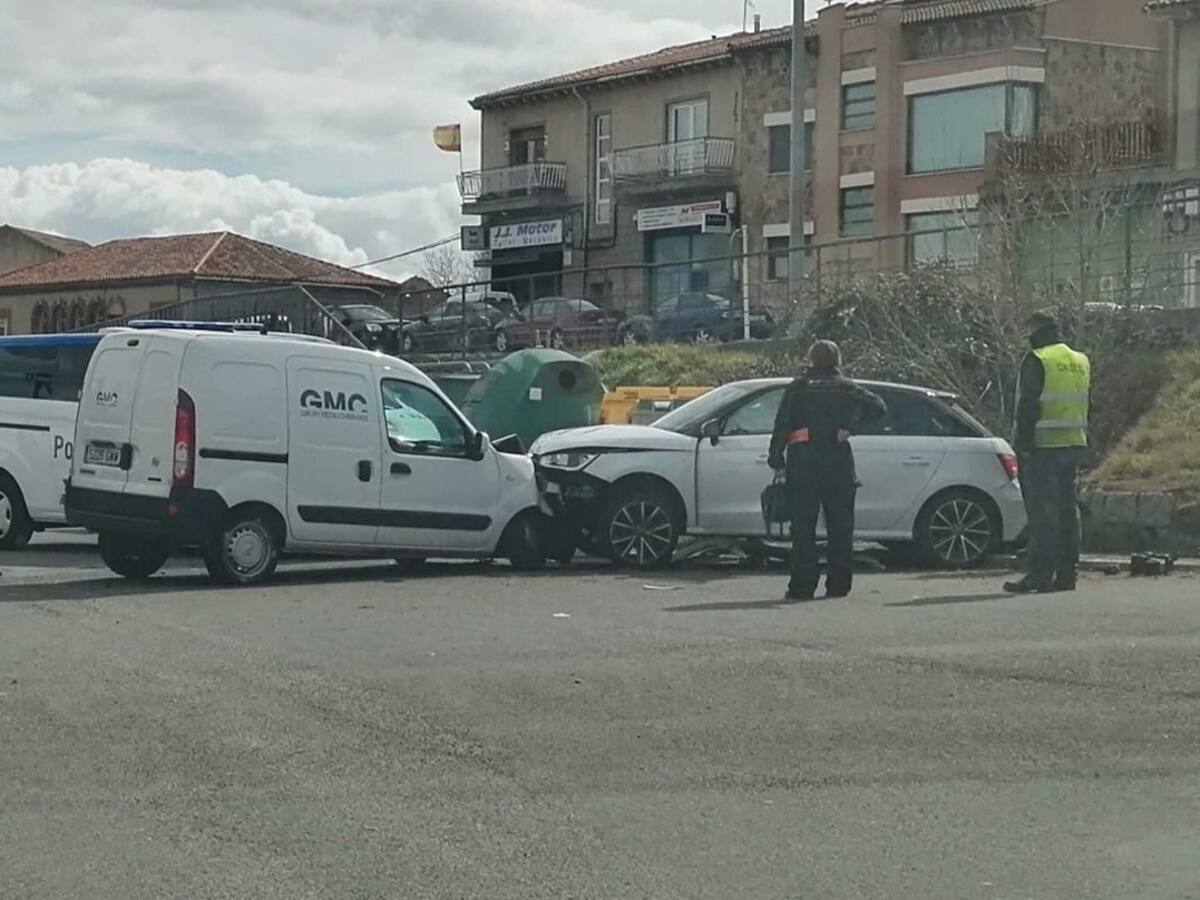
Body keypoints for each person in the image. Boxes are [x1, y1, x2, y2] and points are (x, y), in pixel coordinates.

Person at [769, 340, 886, 600]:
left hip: (803, 463)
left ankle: (802, 585)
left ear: (811, 359)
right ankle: (838, 585)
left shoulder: (798, 389)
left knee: (802, 530)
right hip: (838, 463)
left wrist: (776, 459)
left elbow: (782, 424)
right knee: (841, 529)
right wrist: (853, 427)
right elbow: (879, 407)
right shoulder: (846, 388)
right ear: (837, 360)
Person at [1005, 310, 1091, 594]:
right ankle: (1067, 575)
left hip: (1042, 447)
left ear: (1037, 332)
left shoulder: (1038, 359)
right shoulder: (1080, 360)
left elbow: (1028, 407)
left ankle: (1039, 575)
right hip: (1073, 444)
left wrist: (1023, 446)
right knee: (1069, 512)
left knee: (1043, 514)